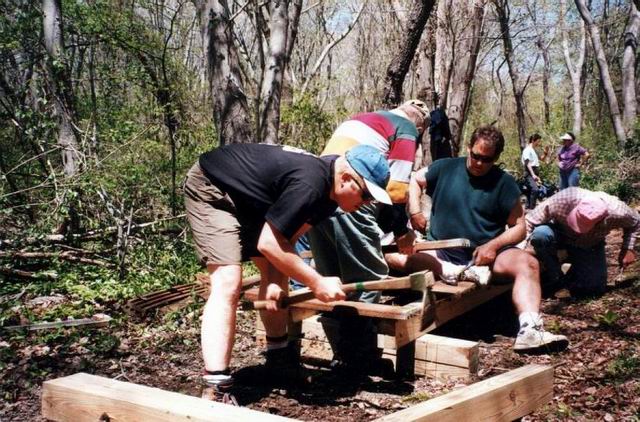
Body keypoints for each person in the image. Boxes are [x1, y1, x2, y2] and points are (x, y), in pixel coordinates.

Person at [183, 143, 391, 393]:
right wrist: (316, 282)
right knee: (228, 281)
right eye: (366, 195)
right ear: (346, 179)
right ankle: (216, 387)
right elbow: (269, 243)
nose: (367, 203)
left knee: (277, 276)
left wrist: (272, 279)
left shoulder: (328, 197)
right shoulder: (312, 184)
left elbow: (286, 240)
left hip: (251, 199)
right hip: (214, 185)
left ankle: (278, 360)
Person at [392, 125, 569, 354]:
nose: (478, 163)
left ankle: (530, 330)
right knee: (395, 256)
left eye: (486, 159)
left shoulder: (504, 183)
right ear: (469, 148)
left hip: (485, 257)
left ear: (496, 158)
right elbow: (416, 180)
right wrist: (415, 212)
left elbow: (519, 227)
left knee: (529, 263)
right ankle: (452, 271)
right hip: (441, 252)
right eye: (475, 156)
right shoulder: (446, 167)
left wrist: (493, 245)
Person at [305, 100, 429, 370]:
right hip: (352, 196)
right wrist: (401, 233)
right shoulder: (406, 128)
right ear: (420, 126)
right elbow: (396, 191)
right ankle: (360, 360)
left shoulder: (365, 117)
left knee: (333, 281)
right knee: (368, 281)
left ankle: (341, 354)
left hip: (320, 198)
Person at [527, 187, 640, 297]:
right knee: (540, 235)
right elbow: (529, 220)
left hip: (588, 244)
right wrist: (517, 250)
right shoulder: (566, 198)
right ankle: (552, 273)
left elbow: (636, 223)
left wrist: (628, 249)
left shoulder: (618, 211)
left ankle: (571, 273)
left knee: (593, 289)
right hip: (559, 235)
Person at [521, 133, 550, 209]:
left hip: (535, 172)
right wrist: (533, 174)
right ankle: (532, 208)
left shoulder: (534, 150)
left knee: (531, 190)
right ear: (533, 141)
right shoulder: (527, 150)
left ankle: (528, 207)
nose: (539, 143)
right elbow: (527, 163)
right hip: (530, 172)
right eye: (538, 141)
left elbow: (542, 159)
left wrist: (546, 152)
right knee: (535, 190)